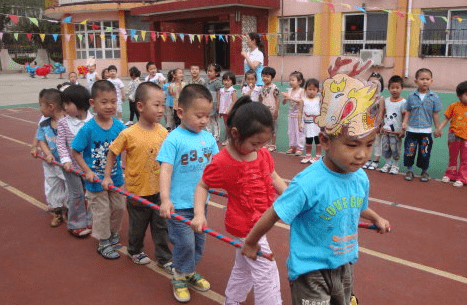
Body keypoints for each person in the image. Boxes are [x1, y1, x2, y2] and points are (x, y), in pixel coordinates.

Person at [241, 75, 391, 304]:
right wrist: (251, 242)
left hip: (344, 264)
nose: (362, 154)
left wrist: (377, 217)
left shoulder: (360, 177)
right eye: (352, 145)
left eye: (369, 145)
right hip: (310, 270)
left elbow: (357, 206)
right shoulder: (308, 183)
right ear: (325, 140)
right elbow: (274, 213)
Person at [191, 96, 287, 305]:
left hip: (261, 221)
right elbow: (202, 185)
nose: (259, 147)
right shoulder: (223, 162)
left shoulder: (261, 155)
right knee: (266, 272)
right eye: (255, 143)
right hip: (245, 227)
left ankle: (232, 301)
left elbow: (273, 177)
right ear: (235, 134)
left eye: (264, 143)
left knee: (243, 268)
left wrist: (291, 199)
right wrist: (199, 214)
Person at [102, 82, 174, 271]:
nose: (161, 110)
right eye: (156, 105)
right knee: (138, 226)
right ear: (140, 106)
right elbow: (112, 153)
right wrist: (107, 176)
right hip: (137, 191)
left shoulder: (163, 131)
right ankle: (134, 250)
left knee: (161, 227)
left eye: (163, 104)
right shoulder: (129, 133)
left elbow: (168, 160)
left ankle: (164, 257)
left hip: (159, 190)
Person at [158, 84, 218, 303]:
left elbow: (216, 168)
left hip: (201, 205)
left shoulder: (209, 139)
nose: (204, 120)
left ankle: (188, 270)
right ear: (180, 112)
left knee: (199, 244)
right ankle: (179, 275)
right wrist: (165, 199)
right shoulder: (173, 139)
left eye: (207, 116)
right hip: (179, 205)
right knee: (185, 244)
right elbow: (166, 169)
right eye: (199, 115)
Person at [71, 80, 126, 260]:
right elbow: (76, 151)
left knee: (118, 207)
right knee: (102, 211)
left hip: (116, 178)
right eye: (104, 102)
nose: (110, 106)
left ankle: (112, 232)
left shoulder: (119, 126)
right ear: (92, 103)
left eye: (113, 101)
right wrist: (87, 170)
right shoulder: (87, 129)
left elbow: (129, 146)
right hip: (95, 181)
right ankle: (103, 241)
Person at [57, 85, 94, 237]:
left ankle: (91, 220)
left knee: (92, 194)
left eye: (67, 104)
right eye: (63, 104)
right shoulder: (63, 123)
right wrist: (65, 160)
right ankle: (76, 224)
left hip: (90, 167)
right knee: (76, 194)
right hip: (71, 167)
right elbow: (61, 143)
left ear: (79, 103)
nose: (64, 107)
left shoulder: (94, 121)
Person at [402, 68, 442, 182]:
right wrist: (404, 122)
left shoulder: (434, 97)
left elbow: (435, 114)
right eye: (422, 79)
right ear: (416, 81)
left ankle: (424, 171)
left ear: (431, 81)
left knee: (424, 152)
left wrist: (438, 128)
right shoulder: (411, 96)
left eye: (427, 79)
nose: (425, 81)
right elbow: (408, 111)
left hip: (426, 131)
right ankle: (409, 170)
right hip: (412, 131)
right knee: (409, 151)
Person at [36, 89, 67, 227]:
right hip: (50, 164)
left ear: (51, 106)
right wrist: (48, 154)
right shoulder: (44, 123)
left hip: (67, 164)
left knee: (70, 188)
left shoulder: (68, 122)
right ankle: (57, 212)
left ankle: (70, 210)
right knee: (53, 187)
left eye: (41, 105)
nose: (39, 109)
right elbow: (41, 140)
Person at [434, 80, 467, 187]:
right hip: (453, 136)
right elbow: (446, 119)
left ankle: (462, 178)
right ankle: (450, 174)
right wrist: (438, 129)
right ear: (459, 95)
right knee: (452, 156)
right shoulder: (454, 106)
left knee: (465, 158)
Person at [379, 75, 406, 174]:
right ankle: (387, 163)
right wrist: (382, 126)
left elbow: (404, 117)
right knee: (386, 147)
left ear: (402, 88)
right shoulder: (386, 101)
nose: (395, 90)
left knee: (395, 148)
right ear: (389, 88)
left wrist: (403, 130)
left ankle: (395, 165)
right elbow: (384, 114)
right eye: (392, 88)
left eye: (397, 87)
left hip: (396, 131)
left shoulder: (403, 102)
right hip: (386, 130)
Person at [363, 72, 385, 170]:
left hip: (376, 125)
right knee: (367, 142)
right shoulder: (365, 98)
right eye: (370, 82)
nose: (372, 85)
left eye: (375, 83)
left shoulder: (380, 98)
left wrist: (378, 125)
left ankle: (375, 161)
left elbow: (381, 111)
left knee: (377, 142)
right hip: (366, 124)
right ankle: (367, 159)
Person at [282, 71, 305, 156]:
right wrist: (285, 98)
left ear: (299, 82)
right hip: (290, 114)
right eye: (290, 80)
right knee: (291, 131)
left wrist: (289, 97)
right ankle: (293, 146)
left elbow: (301, 101)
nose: (290, 82)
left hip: (298, 115)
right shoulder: (289, 90)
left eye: (293, 80)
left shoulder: (301, 91)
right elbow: (284, 103)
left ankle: (300, 147)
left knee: (299, 131)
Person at [259, 66, 280, 152]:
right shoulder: (262, 88)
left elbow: (277, 99)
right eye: (263, 76)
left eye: (267, 76)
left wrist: (276, 111)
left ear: (272, 77)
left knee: (272, 128)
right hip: (264, 111)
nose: (265, 78)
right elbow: (260, 98)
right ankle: (266, 143)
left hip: (272, 110)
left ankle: (273, 144)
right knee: (265, 128)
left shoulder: (274, 88)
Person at [301, 78, 322, 164]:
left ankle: (318, 156)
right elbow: (300, 112)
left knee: (318, 140)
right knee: (308, 140)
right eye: (309, 89)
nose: (311, 91)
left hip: (317, 124)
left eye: (314, 89)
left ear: (318, 90)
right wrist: (299, 123)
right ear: (306, 90)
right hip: (307, 124)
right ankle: (308, 156)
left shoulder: (319, 100)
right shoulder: (304, 100)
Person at [218, 71, 237, 146]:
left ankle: (231, 139)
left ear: (232, 82)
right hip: (223, 112)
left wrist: (229, 109)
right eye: (225, 80)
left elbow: (234, 101)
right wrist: (220, 111)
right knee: (226, 126)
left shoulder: (232, 90)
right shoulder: (221, 90)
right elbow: (221, 101)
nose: (226, 82)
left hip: (230, 112)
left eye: (228, 80)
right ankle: (229, 139)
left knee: (231, 125)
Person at [206, 63, 222, 141]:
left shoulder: (217, 83)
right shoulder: (207, 82)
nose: (209, 73)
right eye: (208, 71)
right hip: (207, 104)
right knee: (207, 120)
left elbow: (219, 93)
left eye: (211, 71)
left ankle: (216, 135)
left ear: (216, 73)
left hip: (214, 103)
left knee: (215, 120)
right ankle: (209, 134)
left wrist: (218, 104)